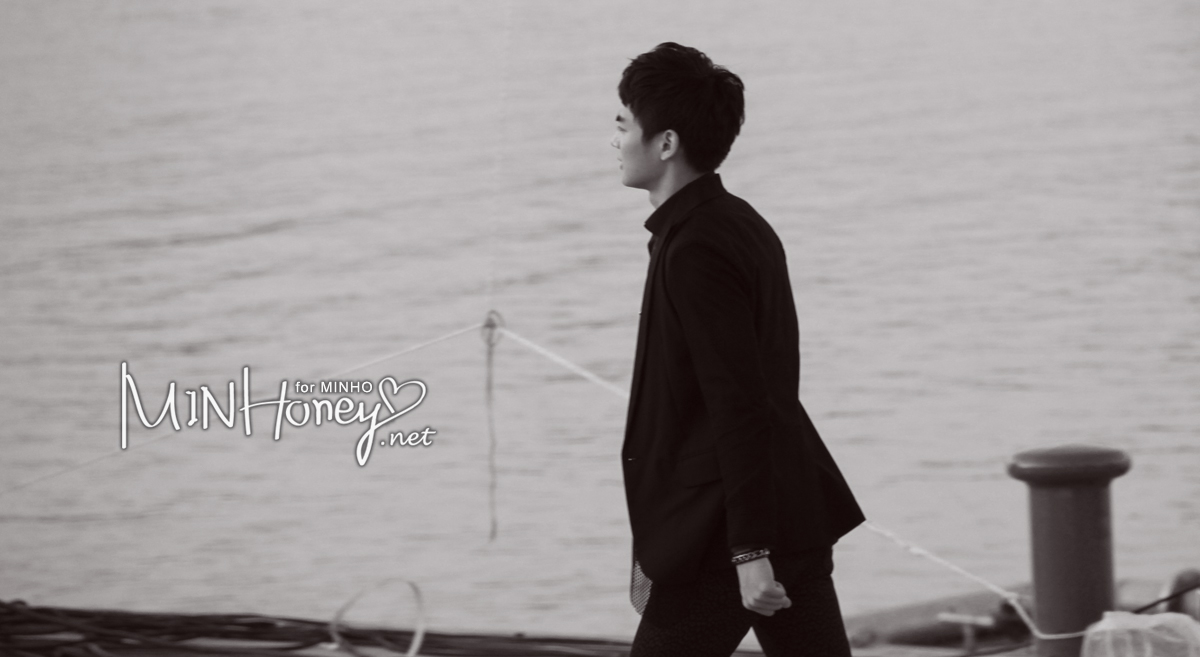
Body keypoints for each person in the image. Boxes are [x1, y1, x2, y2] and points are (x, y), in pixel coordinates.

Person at [612, 42, 866, 656]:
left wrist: (749, 551)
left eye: (622, 125)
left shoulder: (696, 247)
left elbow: (741, 403)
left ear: (665, 143)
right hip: (783, 508)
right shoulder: (734, 221)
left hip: (724, 534)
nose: (614, 141)